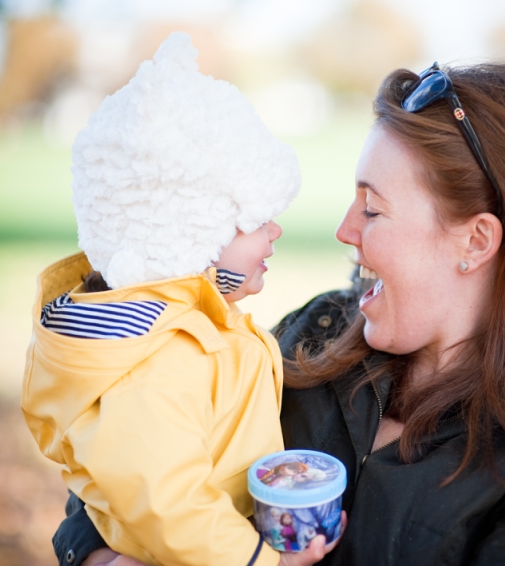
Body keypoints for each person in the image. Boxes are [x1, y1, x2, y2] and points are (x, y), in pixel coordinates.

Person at [55, 61, 505, 565]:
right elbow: (132, 447)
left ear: (475, 241)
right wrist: (100, 558)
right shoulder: (312, 336)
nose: (344, 230)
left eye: (374, 207)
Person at [22, 32, 342, 566]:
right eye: (255, 220)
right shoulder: (160, 359)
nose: (275, 231)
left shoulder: (195, 324)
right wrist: (261, 560)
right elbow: (167, 503)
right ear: (192, 236)